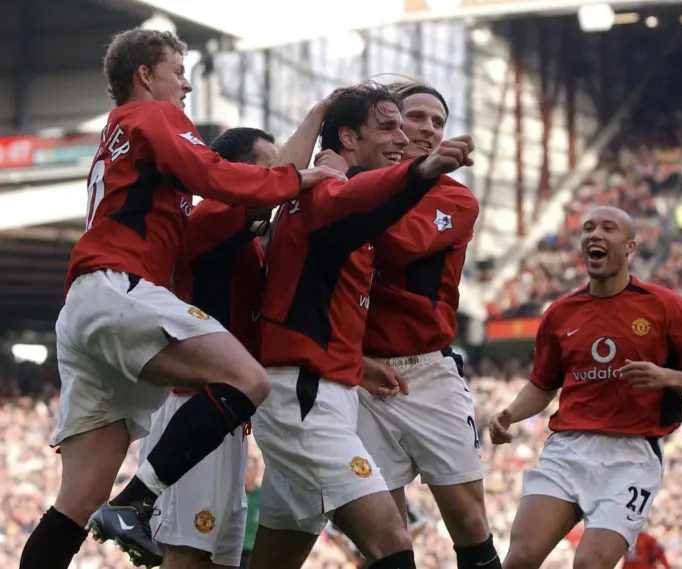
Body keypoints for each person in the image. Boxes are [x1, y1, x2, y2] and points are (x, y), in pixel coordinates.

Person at [19, 28, 342, 569]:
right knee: (247, 379)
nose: (187, 86)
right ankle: (135, 502)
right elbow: (212, 174)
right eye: (179, 72)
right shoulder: (153, 115)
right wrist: (300, 178)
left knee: (76, 502)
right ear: (145, 75)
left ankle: (128, 504)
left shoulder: (117, 136)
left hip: (87, 304)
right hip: (119, 287)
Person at [248, 84, 475, 569]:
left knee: (276, 558)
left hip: (331, 384)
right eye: (393, 126)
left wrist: (357, 361)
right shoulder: (331, 190)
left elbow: (277, 192)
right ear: (350, 138)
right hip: (306, 395)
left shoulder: (320, 188)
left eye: (434, 123)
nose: (407, 137)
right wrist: (422, 171)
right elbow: (367, 216)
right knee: (391, 540)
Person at [316, 80, 496, 569]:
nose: (427, 128)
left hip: (427, 373)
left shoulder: (455, 199)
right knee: (385, 534)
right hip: (357, 377)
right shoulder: (345, 186)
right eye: (415, 117)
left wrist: (348, 178)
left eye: (438, 122)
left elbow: (397, 243)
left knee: (469, 521)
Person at [489, 205, 682, 569]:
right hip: (568, 450)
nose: (595, 234)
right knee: (520, 558)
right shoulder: (560, 313)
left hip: (631, 457)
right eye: (588, 228)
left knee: (589, 564)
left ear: (630, 246)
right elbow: (543, 383)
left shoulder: (665, 306)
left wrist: (666, 377)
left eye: (608, 228)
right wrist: (510, 413)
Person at [139, 127, 278, 569]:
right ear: (236, 172)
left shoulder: (245, 240)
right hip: (194, 406)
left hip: (227, 414)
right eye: (268, 166)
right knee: (186, 556)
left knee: (221, 558)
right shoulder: (211, 216)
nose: (278, 176)